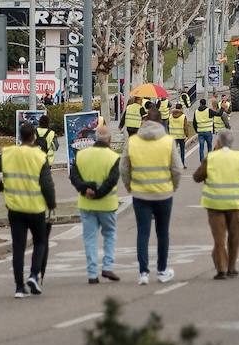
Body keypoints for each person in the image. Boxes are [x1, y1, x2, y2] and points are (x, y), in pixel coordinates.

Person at [0, 121, 56, 298]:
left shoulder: (9, 153)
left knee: (18, 247)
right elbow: (47, 184)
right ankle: (34, 275)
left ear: (20, 136)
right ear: (33, 136)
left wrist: (1, 187)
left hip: (15, 207)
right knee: (40, 242)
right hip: (35, 207)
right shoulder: (40, 157)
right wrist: (51, 203)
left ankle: (19, 287)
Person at [121, 108, 182, 285]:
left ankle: (143, 273)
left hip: (140, 194)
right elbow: (177, 169)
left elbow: (124, 168)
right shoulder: (168, 141)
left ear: (145, 122)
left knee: (142, 232)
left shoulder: (133, 142)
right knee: (162, 233)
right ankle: (162, 270)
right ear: (161, 123)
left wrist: (129, 186)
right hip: (163, 193)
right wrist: (173, 186)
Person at [193, 129, 239, 279]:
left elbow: (197, 177)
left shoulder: (211, 157)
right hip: (235, 204)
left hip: (215, 204)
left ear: (218, 142)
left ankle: (221, 269)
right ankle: (232, 267)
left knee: (219, 239)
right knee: (234, 236)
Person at [69, 124, 121, 284]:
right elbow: (112, 180)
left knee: (90, 238)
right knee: (109, 235)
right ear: (110, 140)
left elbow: (74, 176)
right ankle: (107, 266)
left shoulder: (81, 155)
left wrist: (85, 190)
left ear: (95, 138)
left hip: (87, 204)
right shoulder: (113, 157)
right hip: (107, 204)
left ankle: (92, 273)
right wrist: (98, 194)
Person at [193, 98, 217, 162]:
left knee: (201, 148)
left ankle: (202, 161)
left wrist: (196, 130)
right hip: (208, 132)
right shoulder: (208, 110)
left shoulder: (196, 111)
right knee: (209, 146)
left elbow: (194, 123)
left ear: (200, 103)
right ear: (205, 103)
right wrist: (222, 109)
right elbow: (218, 114)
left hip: (200, 132)